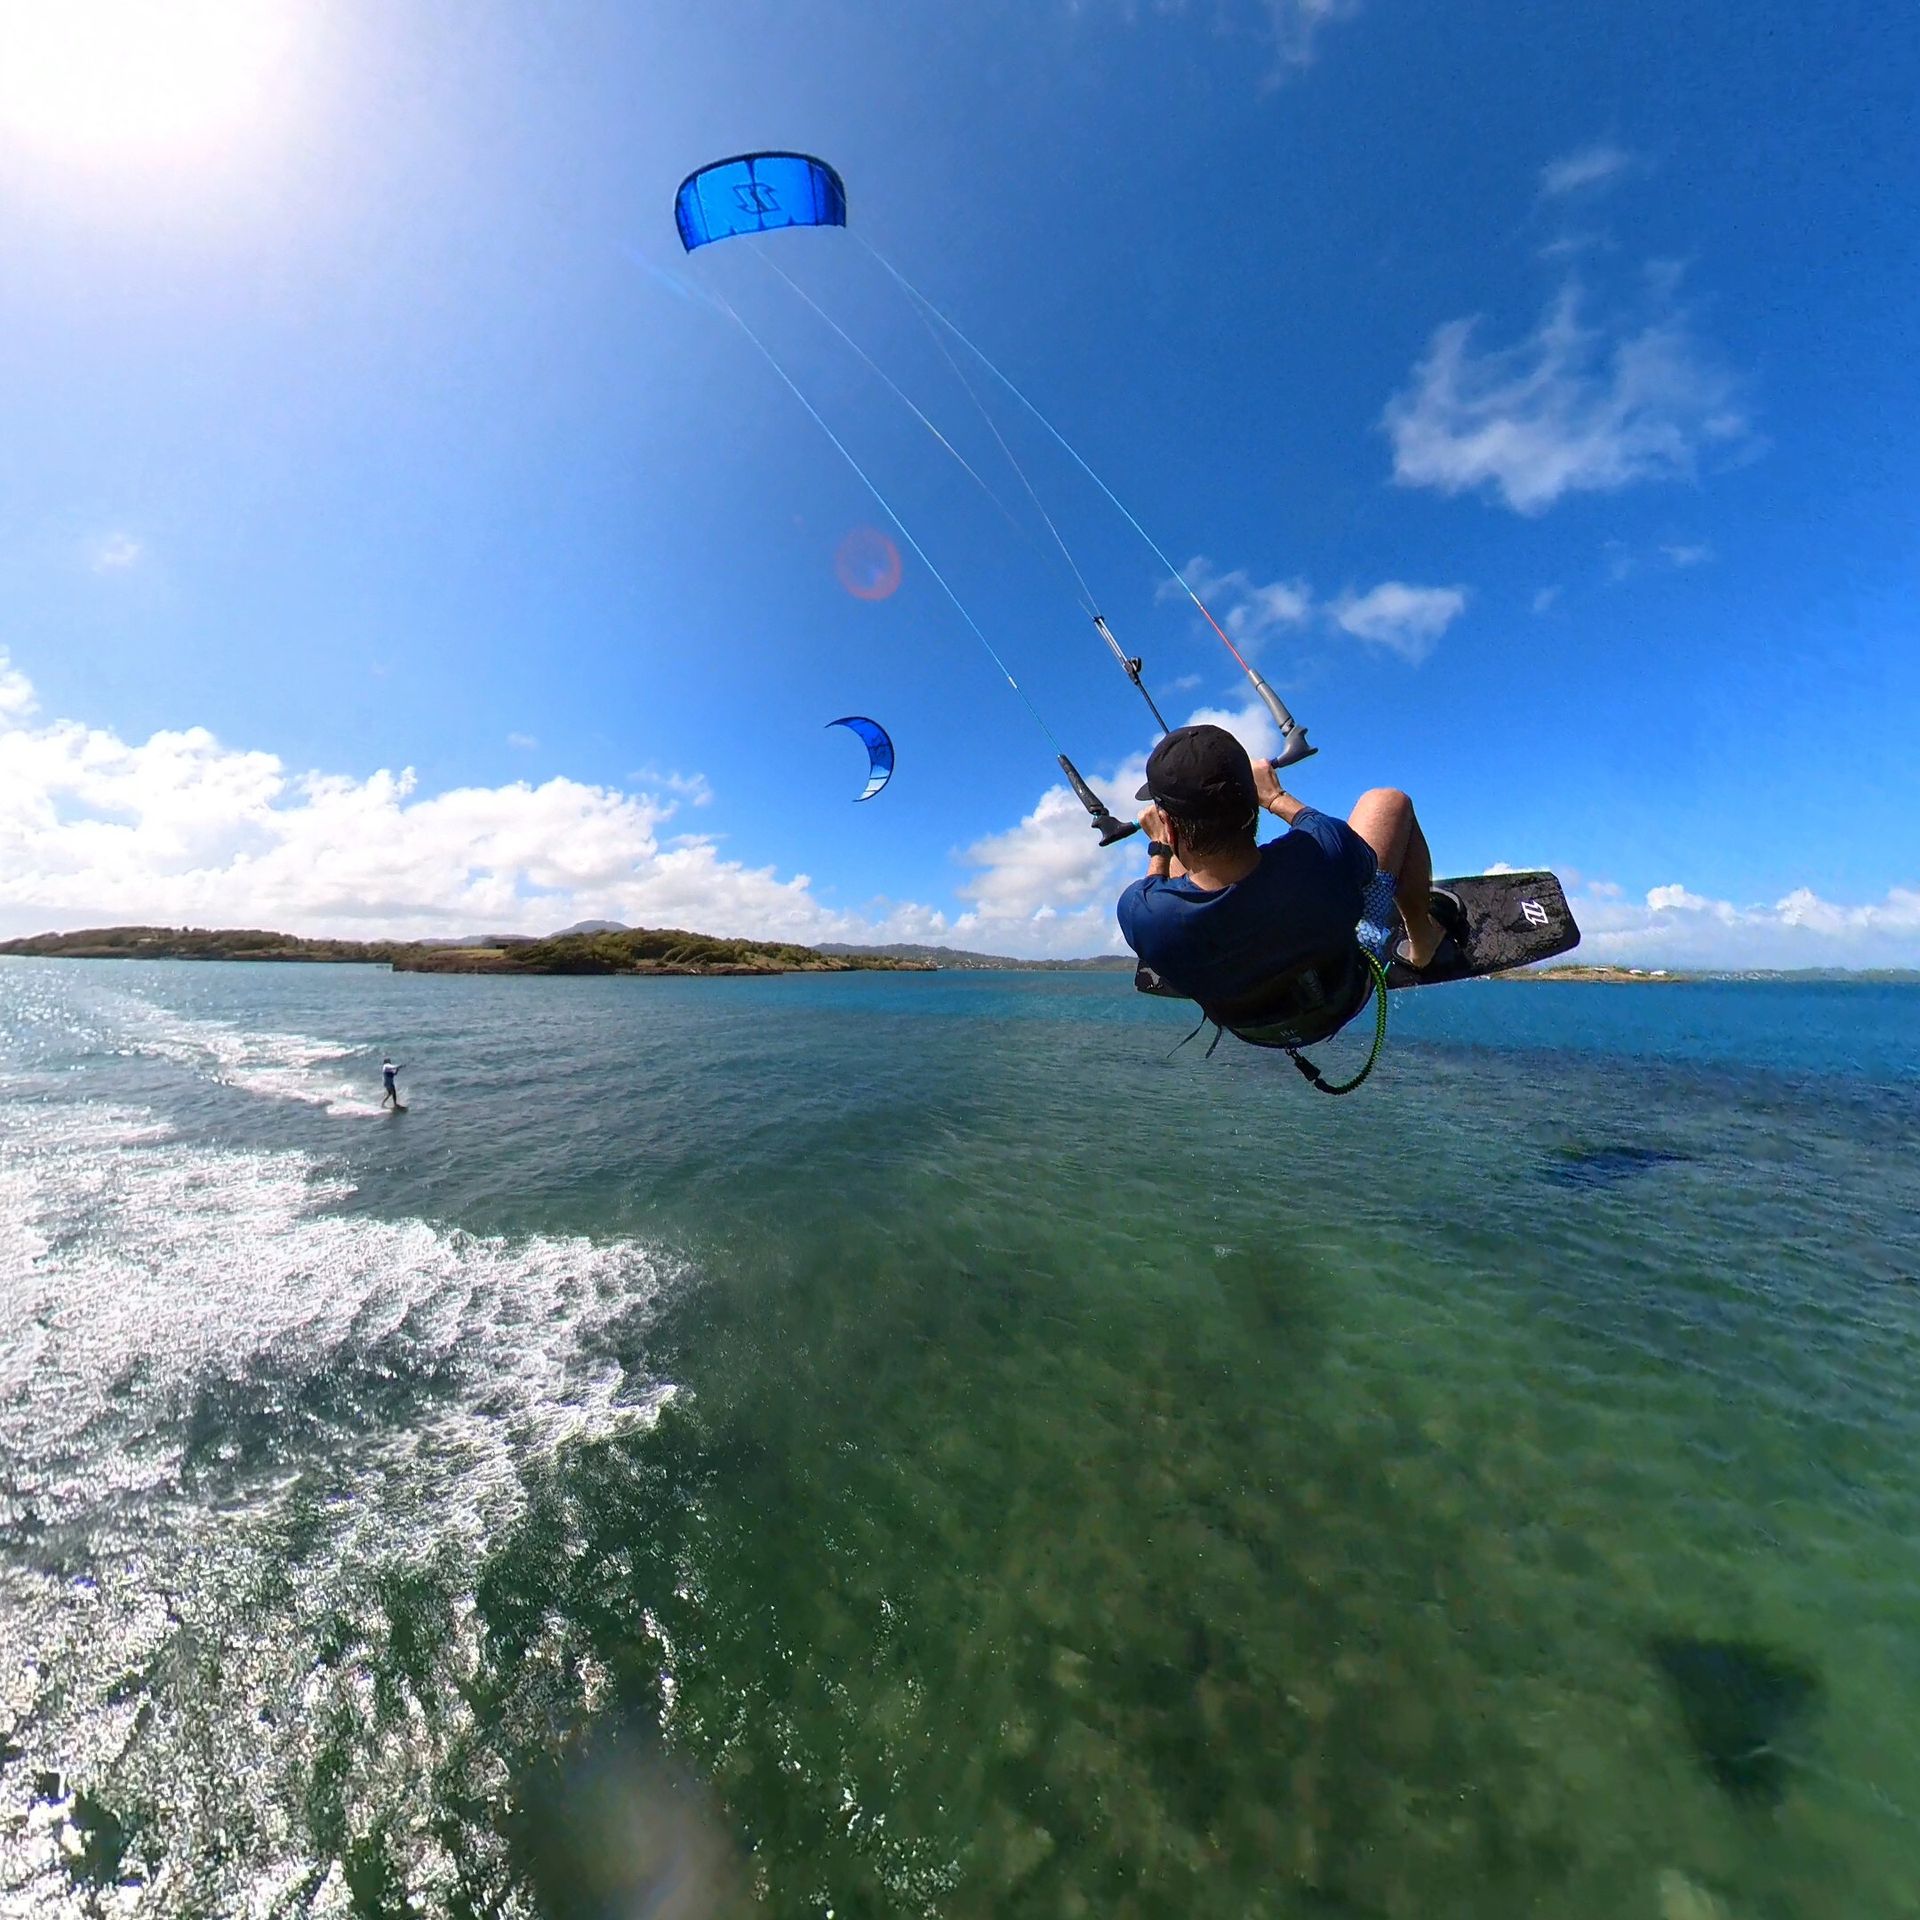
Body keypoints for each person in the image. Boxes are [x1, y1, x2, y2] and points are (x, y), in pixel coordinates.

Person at [1117, 723, 1461, 1024]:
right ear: (1253, 802)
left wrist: (1160, 848)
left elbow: (1155, 883)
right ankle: (1422, 946)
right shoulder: (1324, 854)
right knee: (1389, 801)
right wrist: (1276, 796)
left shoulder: (1144, 913)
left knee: (1177, 881)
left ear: (1169, 829)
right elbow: (1319, 827)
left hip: (1250, 1023)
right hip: (1338, 999)